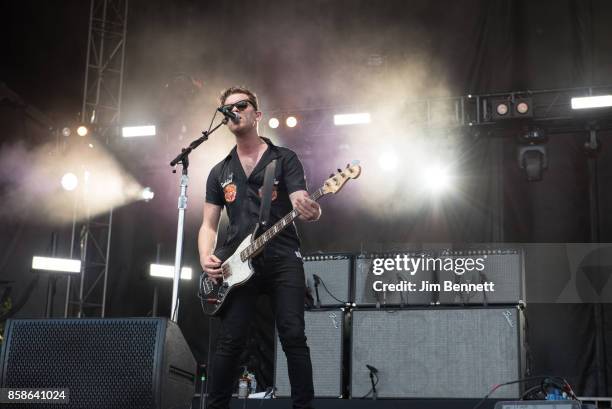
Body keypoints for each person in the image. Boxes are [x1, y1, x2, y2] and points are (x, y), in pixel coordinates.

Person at [198, 86, 320, 409]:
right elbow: (208, 225)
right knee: (230, 341)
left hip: (282, 256)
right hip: (236, 264)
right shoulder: (219, 172)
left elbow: (299, 201)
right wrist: (205, 256)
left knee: (293, 335)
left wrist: (311, 208)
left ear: (257, 114)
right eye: (228, 109)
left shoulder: (284, 159)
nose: (234, 111)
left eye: (241, 105)